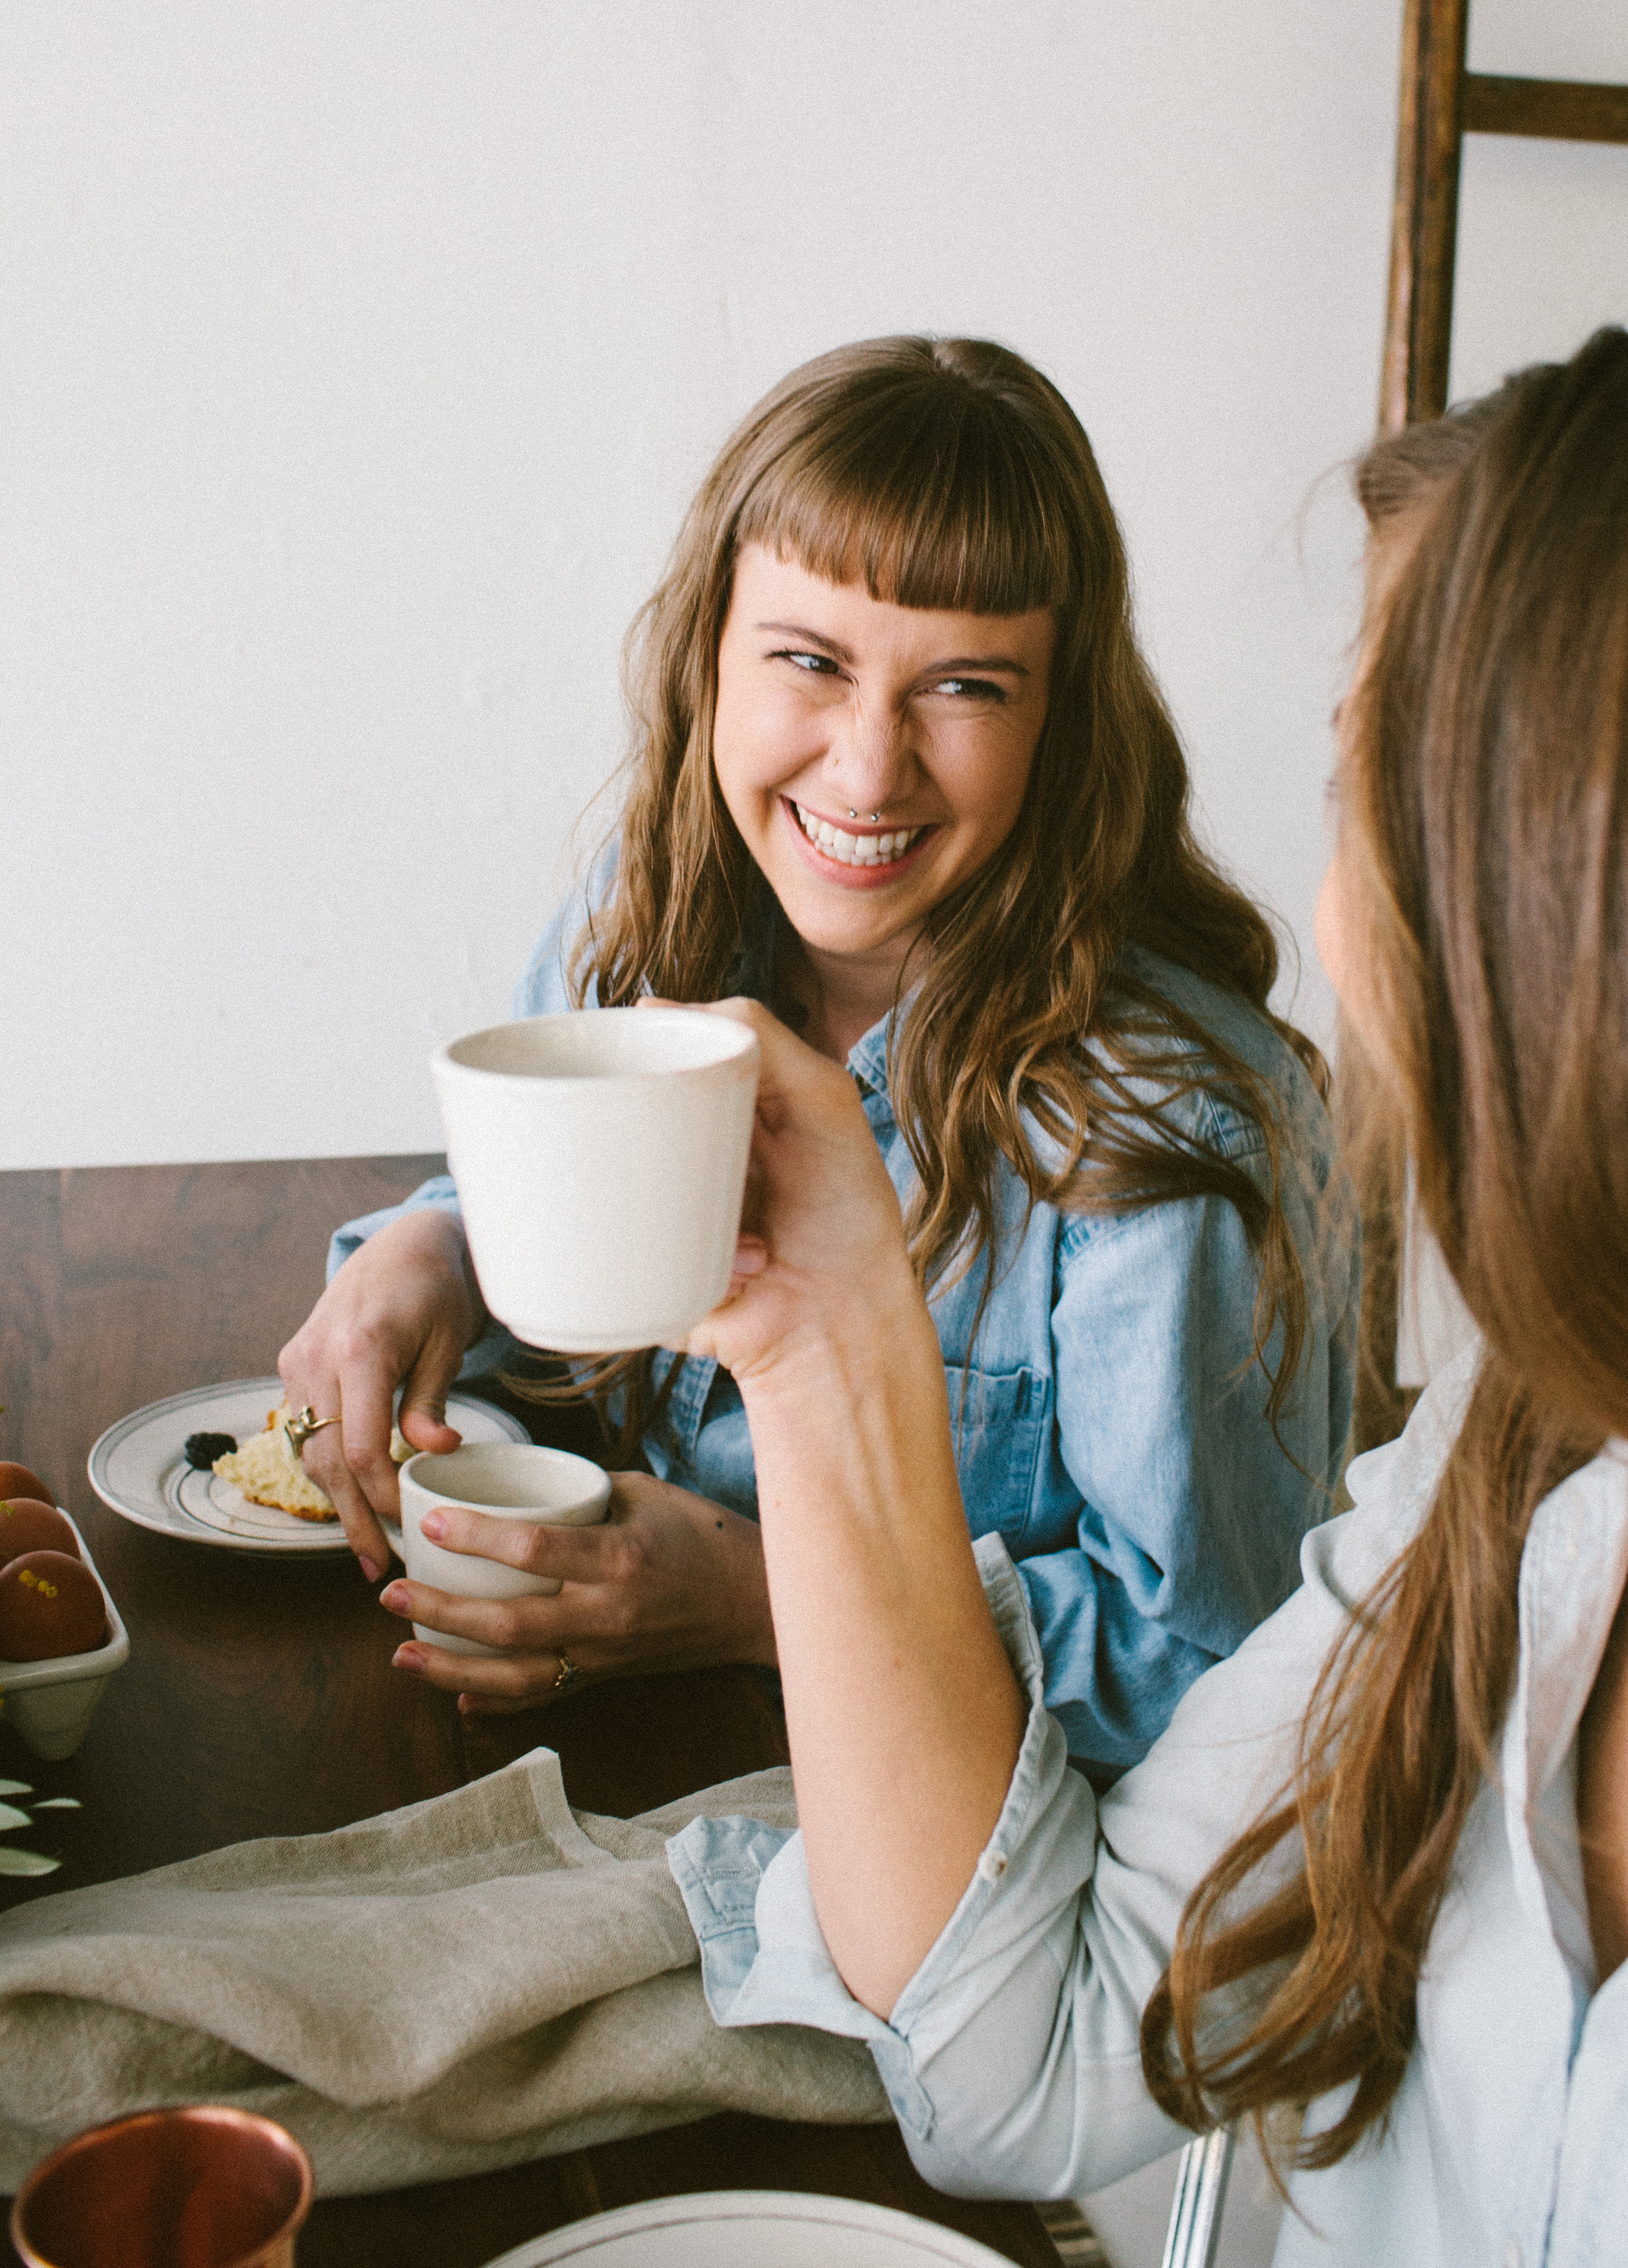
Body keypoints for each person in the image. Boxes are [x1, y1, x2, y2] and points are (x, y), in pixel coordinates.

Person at [656, 327, 1628, 2263]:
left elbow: (1170, 1637)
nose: (1327, 926)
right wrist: (826, 1324)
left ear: (1541, 905)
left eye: (1365, 788)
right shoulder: (1494, 1467)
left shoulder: (1174, 1116)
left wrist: (709, 1576)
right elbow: (1013, 2063)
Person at [281, 336, 1355, 1780]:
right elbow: (563, 1254)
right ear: (707, 655)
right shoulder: (638, 927)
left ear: (1063, 717)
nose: (864, 770)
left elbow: (1214, 1661)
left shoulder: (1172, 1125)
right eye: (808, 662)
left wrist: (751, 1601)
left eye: (964, 687)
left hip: (978, 1857)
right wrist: (437, 1252)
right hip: (616, 1764)